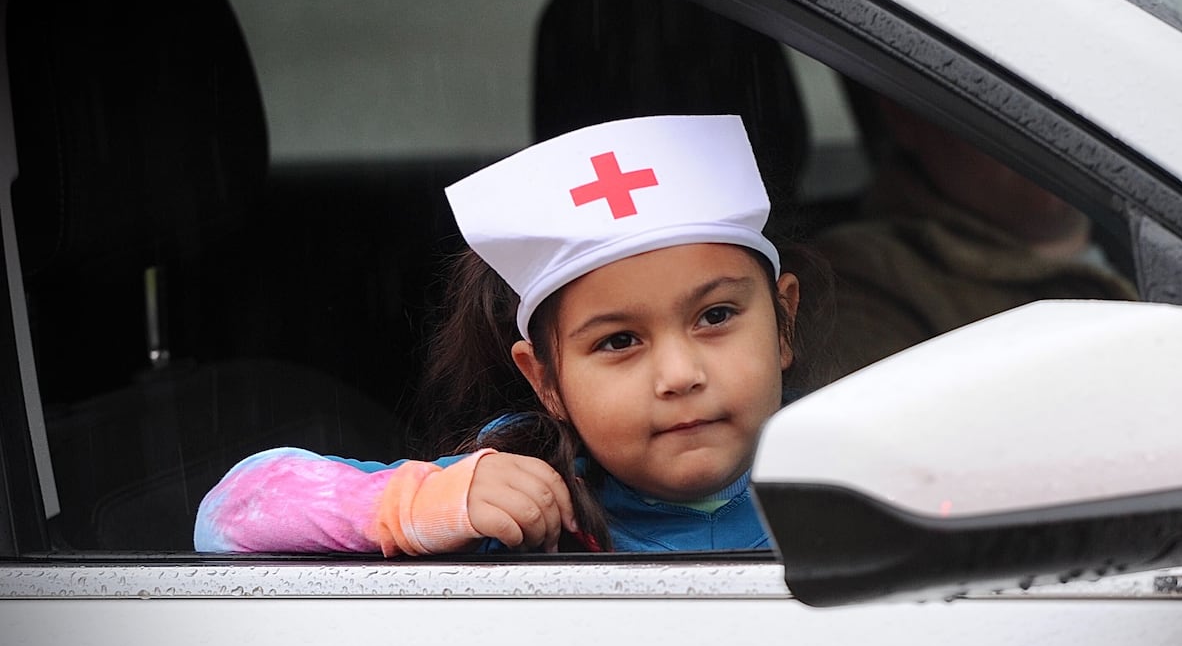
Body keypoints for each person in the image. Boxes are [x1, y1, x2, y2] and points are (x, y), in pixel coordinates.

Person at [194, 115, 801, 555]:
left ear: (782, 322)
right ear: (546, 381)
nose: (679, 375)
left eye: (716, 316)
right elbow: (231, 514)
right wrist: (419, 504)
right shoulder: (516, 510)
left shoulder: (855, 476)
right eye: (619, 341)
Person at [814, 92, 1137, 378]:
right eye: (1008, 98)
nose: (1052, 124)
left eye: (1070, 93)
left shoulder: (1152, 224)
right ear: (904, 116)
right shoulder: (858, 283)